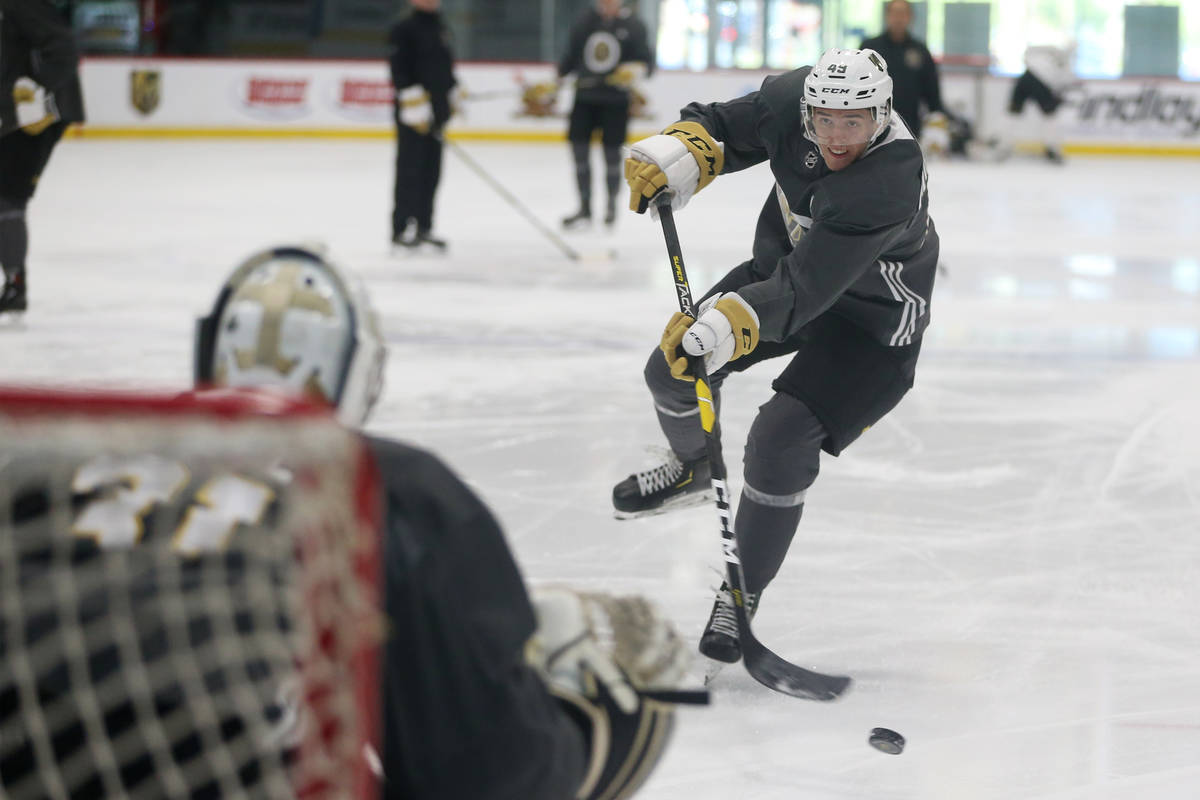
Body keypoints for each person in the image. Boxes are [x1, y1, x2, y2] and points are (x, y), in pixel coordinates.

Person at [192, 244, 699, 798]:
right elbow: (486, 776)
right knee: (616, 704)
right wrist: (583, 725)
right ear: (364, 373)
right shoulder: (395, 495)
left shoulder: (101, 462)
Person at [616, 48, 938, 666]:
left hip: (869, 325)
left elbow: (808, 291)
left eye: (855, 122)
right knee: (671, 370)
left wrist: (728, 325)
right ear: (809, 110)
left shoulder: (889, 177)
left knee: (778, 438)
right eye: (825, 121)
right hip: (783, 276)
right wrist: (685, 151)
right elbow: (724, 124)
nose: (837, 137)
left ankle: (742, 592)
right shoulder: (793, 100)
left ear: (883, 112)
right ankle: (691, 467)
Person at [0, 0, 85, 314]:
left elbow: (63, 48)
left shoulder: (19, 4)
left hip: (37, 116)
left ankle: (15, 286)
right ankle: (14, 283)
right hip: (15, 115)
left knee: (8, 197)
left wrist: (39, 89)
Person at [556, 0, 654, 230]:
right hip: (584, 98)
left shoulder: (634, 25)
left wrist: (637, 69)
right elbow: (570, 57)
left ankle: (610, 206)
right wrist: (557, 78)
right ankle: (584, 208)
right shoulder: (584, 22)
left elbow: (646, 61)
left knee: (612, 156)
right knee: (579, 151)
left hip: (615, 102)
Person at [388, 0, 456, 250]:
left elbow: (444, 66)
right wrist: (412, 101)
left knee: (431, 171)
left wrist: (453, 90)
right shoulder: (403, 28)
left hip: (437, 113)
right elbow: (398, 70)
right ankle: (400, 228)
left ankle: (424, 226)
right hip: (413, 116)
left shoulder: (440, 26)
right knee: (409, 170)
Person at [860, 0, 942, 139]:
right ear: (887, 16)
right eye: (895, 13)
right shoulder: (870, 49)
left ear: (910, 17)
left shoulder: (920, 51)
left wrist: (937, 124)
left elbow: (932, 92)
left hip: (910, 127)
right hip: (873, 125)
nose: (898, 18)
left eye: (903, 14)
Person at [1008, 44, 1076, 164]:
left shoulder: (1049, 52)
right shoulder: (1063, 60)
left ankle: (1001, 143)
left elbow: (1027, 53)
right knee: (1050, 116)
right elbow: (1063, 82)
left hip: (1026, 76)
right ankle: (1052, 148)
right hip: (1040, 81)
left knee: (1014, 112)